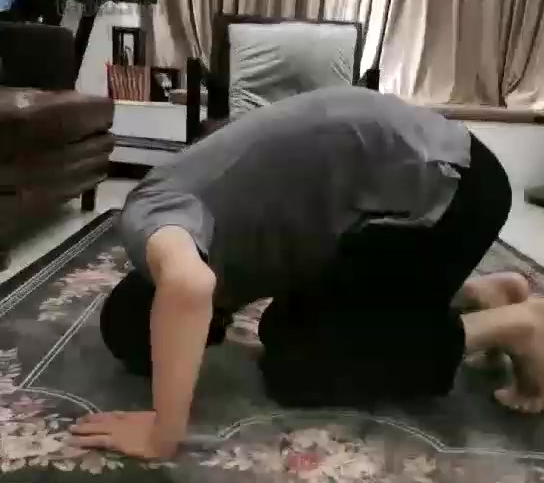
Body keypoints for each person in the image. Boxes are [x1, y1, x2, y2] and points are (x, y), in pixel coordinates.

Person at [71, 87, 543, 462]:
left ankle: (516, 327)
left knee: (301, 365)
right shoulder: (201, 215)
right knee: (286, 323)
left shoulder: (151, 214)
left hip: (453, 196)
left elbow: (189, 287)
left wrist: (162, 431)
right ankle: (478, 295)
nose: (212, 333)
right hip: (437, 175)